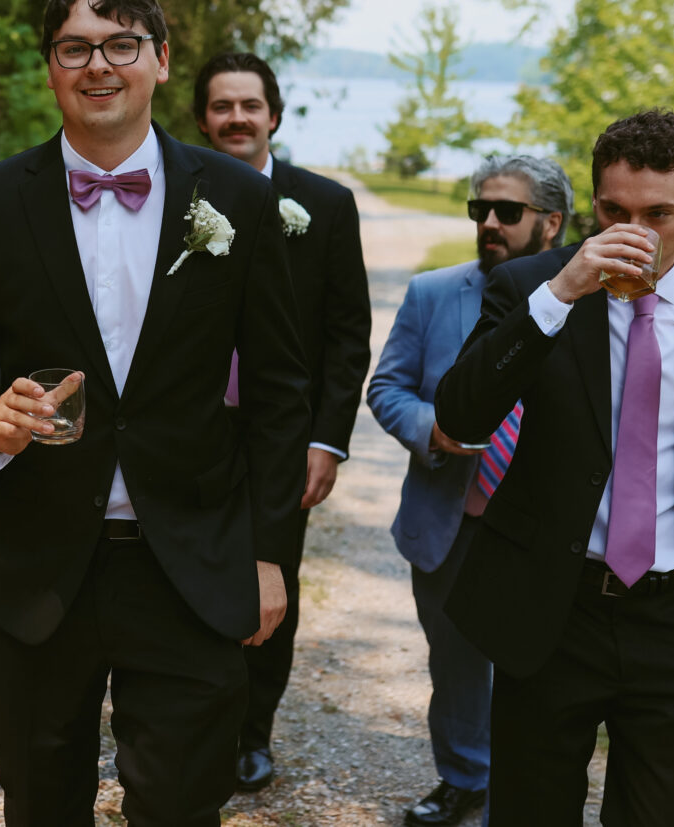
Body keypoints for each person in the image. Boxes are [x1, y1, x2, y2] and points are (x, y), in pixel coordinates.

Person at [0, 0, 311, 826]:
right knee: (42, 804)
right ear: (50, 68)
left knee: (180, 806)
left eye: (121, 44)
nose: (99, 65)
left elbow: (281, 390)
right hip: (38, 563)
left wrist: (271, 552)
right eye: (75, 49)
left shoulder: (236, 198)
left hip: (191, 562)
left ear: (161, 62)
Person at [433, 109, 674, 824]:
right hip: (554, 611)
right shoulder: (531, 287)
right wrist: (561, 295)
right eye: (615, 210)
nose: (637, 232)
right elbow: (461, 417)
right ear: (594, 204)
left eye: (661, 213)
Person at [367, 154, 572, 826]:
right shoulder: (432, 293)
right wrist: (433, 427)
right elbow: (386, 386)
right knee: (455, 664)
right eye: (479, 209)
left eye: (506, 212)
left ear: (551, 223)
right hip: (452, 516)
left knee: (538, 670)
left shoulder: (592, 299)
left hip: (543, 525)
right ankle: (464, 777)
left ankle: (524, 792)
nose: (489, 222)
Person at [190, 51, 373, 792]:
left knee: (271, 578)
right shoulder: (179, 196)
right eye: (222, 105)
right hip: (195, 432)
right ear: (203, 118)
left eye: (250, 105)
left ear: (274, 115)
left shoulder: (323, 205)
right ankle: (192, 724)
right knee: (185, 575)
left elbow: (347, 333)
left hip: (283, 436)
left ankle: (251, 731)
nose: (236, 117)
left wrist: (326, 438)